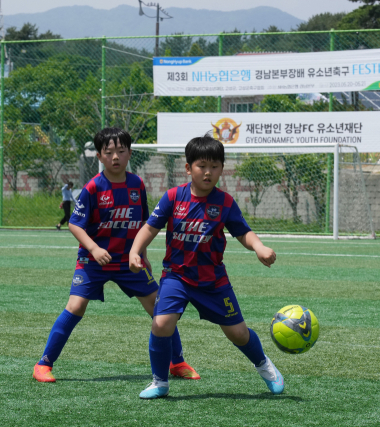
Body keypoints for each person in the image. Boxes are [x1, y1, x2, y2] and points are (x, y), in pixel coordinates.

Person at [33, 127, 200, 383]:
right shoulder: (92, 188)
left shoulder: (137, 184)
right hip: (93, 262)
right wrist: (94, 248)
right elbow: (75, 224)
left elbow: (144, 224)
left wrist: (144, 255)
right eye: (108, 152)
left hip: (128, 262)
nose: (115, 157)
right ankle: (43, 364)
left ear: (130, 153)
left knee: (160, 309)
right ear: (99, 156)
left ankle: (176, 362)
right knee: (75, 307)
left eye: (121, 151)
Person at [129, 134, 283, 399]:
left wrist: (259, 247)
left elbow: (243, 232)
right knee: (161, 323)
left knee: (238, 333)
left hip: (213, 281)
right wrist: (135, 251)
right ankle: (159, 382)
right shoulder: (173, 197)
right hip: (176, 277)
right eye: (202, 166)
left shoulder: (225, 202)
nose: (208, 172)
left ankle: (264, 365)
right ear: (188, 168)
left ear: (222, 168)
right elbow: (149, 227)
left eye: (214, 166)